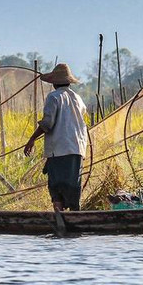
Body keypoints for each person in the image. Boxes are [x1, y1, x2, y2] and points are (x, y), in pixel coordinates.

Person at [23, 63, 88, 212]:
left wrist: (31, 139)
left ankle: (59, 218)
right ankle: (74, 217)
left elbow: (47, 123)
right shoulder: (77, 98)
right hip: (77, 148)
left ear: (54, 82)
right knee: (73, 186)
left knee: (56, 186)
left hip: (59, 149)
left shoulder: (54, 97)